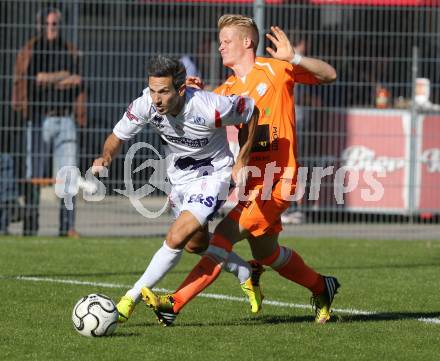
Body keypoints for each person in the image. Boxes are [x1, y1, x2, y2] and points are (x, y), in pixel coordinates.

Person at [141, 14, 340, 325]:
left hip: (278, 178)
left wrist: (295, 58)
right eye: (220, 41)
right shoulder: (226, 90)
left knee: (223, 235)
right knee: (267, 254)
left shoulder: (275, 69)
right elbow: (197, 114)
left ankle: (174, 303)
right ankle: (321, 286)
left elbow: (329, 74)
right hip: (250, 182)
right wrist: (188, 93)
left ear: (247, 42)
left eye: (226, 41)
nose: (220, 46)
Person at [92, 55, 261, 323]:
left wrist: (242, 160)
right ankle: (245, 271)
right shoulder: (146, 104)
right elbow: (117, 136)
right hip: (180, 179)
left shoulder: (208, 106)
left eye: (164, 92)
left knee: (175, 237)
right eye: (153, 91)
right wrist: (106, 157)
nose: (156, 99)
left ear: (180, 90)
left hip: (213, 176)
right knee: (197, 244)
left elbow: (251, 111)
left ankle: (128, 300)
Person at [12, 7, 86, 237]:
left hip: (65, 118)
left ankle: (67, 226)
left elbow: (76, 80)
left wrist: (50, 79)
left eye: (55, 24)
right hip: (39, 120)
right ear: (39, 25)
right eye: (48, 24)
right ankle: (31, 225)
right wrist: (61, 76)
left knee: (68, 176)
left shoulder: (69, 49)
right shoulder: (32, 50)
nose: (52, 28)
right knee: (34, 174)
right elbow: (34, 79)